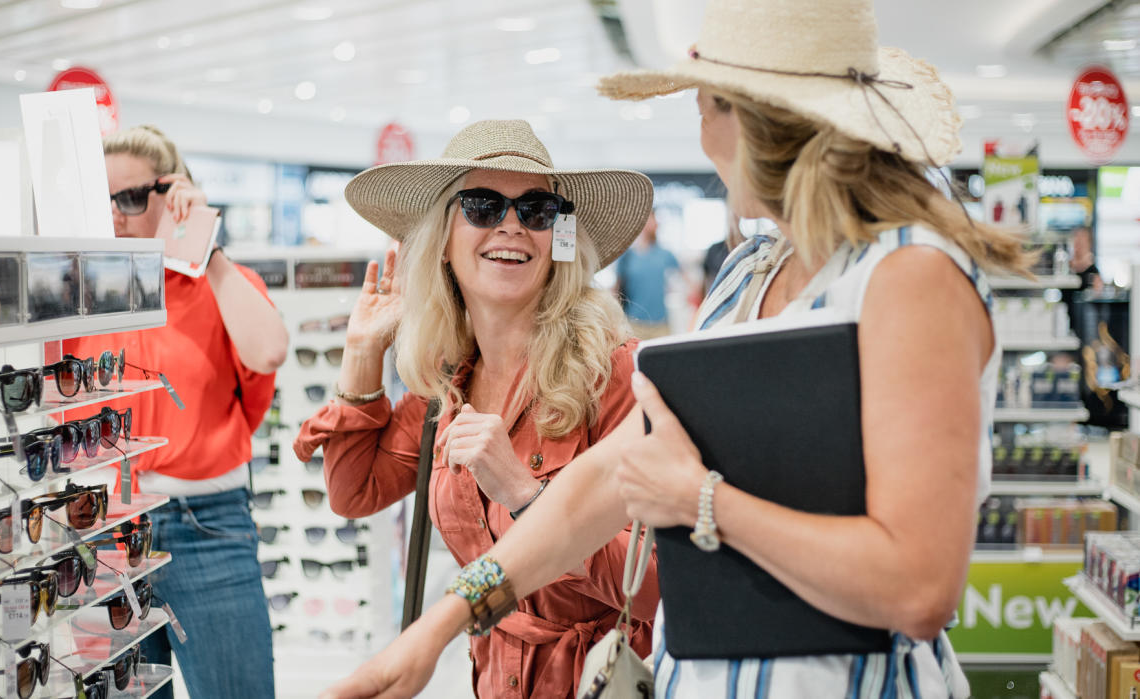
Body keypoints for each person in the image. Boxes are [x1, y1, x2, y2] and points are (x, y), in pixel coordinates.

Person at [320, 0, 1031, 697]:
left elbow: (918, 588)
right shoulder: (749, 276)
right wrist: (442, 623)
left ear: (749, 117)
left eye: (704, 105)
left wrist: (703, 502)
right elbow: (594, 486)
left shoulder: (908, 277)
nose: (699, 133)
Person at [293, 119, 660, 698]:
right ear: (442, 238)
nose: (512, 225)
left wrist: (525, 494)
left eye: (536, 209)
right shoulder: (446, 385)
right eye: (484, 206)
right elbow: (354, 492)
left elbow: (658, 586)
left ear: (557, 235)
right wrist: (363, 350)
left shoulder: (614, 376)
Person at [64, 125, 289, 699]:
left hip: (205, 524)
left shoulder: (217, 284)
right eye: (104, 200)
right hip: (100, 530)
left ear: (174, 194)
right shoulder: (75, 294)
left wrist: (204, 247)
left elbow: (268, 351)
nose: (116, 216)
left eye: (132, 198)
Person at [614, 211, 684, 339]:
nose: (654, 223)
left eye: (654, 219)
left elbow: (684, 277)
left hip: (661, 324)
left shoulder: (665, 254)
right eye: (650, 219)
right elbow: (616, 290)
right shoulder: (626, 256)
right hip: (634, 324)